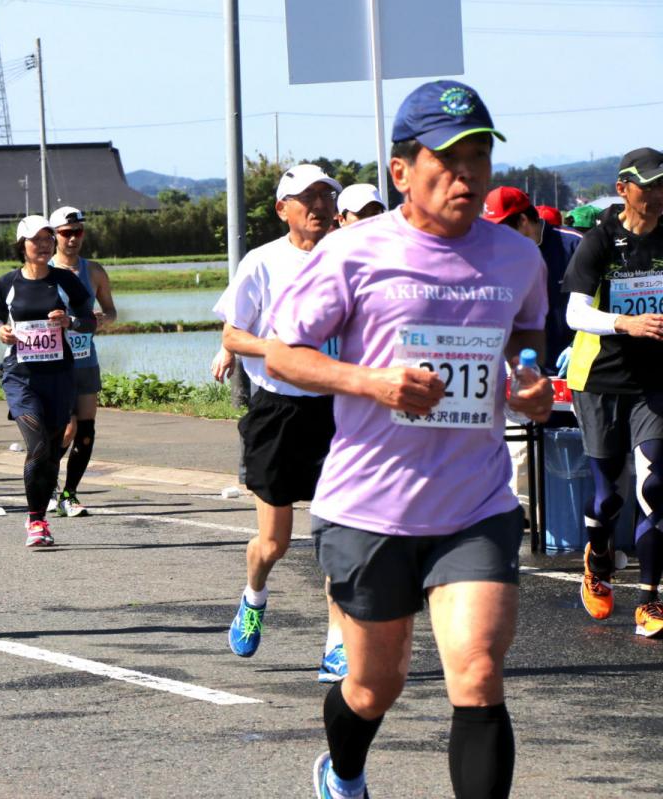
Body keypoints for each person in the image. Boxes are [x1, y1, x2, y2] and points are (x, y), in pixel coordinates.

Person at [263, 80, 552, 799]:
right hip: (371, 504)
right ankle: (345, 770)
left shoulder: (517, 260)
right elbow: (281, 354)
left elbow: (525, 339)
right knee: (373, 684)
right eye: (449, 160)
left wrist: (529, 384)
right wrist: (374, 382)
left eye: (480, 156)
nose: (469, 174)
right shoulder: (354, 252)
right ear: (401, 172)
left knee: (479, 672)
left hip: (475, 500)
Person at [213, 163, 348, 683]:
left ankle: (337, 643)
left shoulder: (350, 259)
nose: (317, 206)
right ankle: (254, 594)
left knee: (339, 537)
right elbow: (233, 336)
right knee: (275, 543)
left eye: (324, 196)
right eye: (305, 198)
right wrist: (282, 350)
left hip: (339, 409)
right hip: (278, 411)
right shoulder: (262, 262)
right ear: (282, 209)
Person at [561, 147, 663, 639]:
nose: (660, 193)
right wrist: (627, 322)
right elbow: (575, 314)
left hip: (655, 382)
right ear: (624, 188)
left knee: (656, 485)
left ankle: (650, 599)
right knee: (609, 497)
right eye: (651, 184)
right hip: (600, 377)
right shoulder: (599, 240)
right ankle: (598, 556)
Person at [0, 215, 96, 546]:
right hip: (21, 377)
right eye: (36, 240)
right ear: (23, 244)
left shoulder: (65, 280)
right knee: (36, 446)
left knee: (50, 452)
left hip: (59, 376)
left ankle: (41, 511)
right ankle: (36, 522)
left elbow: (90, 320)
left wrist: (70, 322)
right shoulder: (8, 282)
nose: (44, 245)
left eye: (49, 239)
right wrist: (1, 331)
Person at [47, 206, 116, 518]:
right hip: (53, 362)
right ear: (54, 236)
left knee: (86, 429)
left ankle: (69, 493)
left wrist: (103, 319)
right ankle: (45, 480)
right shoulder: (43, 271)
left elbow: (111, 310)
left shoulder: (95, 271)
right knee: (65, 429)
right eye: (66, 233)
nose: (73, 239)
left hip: (85, 359)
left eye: (78, 232)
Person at [483, 186, 583, 372]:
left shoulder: (574, 245)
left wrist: (577, 344)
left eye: (500, 230)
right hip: (525, 367)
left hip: (575, 366)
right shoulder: (498, 256)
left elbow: (601, 301)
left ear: (523, 220)